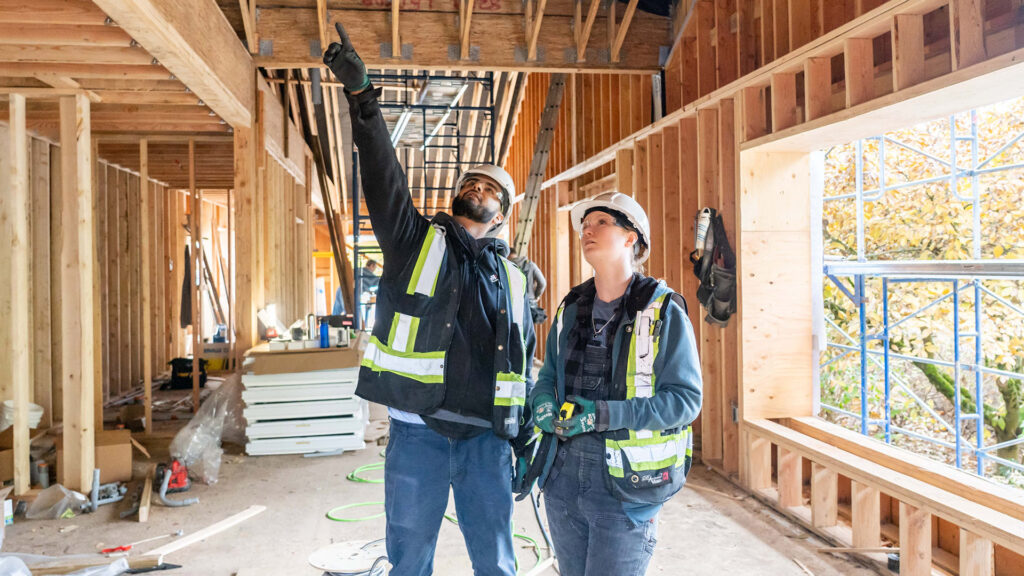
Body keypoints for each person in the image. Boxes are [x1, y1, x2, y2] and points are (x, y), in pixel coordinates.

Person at [324, 24, 536, 576]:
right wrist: (361, 97)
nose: (480, 189)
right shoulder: (415, 242)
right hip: (418, 435)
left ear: (504, 213)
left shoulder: (516, 281)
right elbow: (383, 176)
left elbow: (523, 366)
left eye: (492, 189)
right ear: (457, 193)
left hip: (487, 445)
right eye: (473, 182)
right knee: (410, 561)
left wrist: (527, 435)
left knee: (496, 564)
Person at [525, 191, 702, 576]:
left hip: (626, 485)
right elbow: (550, 376)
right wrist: (541, 402)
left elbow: (685, 401)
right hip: (563, 476)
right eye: (584, 227)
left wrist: (601, 415)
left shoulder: (663, 310)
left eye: (601, 223)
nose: (587, 231)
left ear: (630, 237)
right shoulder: (571, 307)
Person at [508, 250, 548, 323]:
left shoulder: (506, 266)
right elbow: (542, 283)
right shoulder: (530, 265)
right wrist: (536, 295)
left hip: (513, 303)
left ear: (507, 255)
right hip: (530, 303)